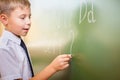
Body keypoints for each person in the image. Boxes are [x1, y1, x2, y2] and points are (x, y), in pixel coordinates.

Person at [0, 0, 72, 80]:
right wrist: (52, 68)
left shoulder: (17, 42)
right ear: (4, 19)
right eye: (22, 17)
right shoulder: (5, 49)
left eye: (29, 17)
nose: (29, 22)